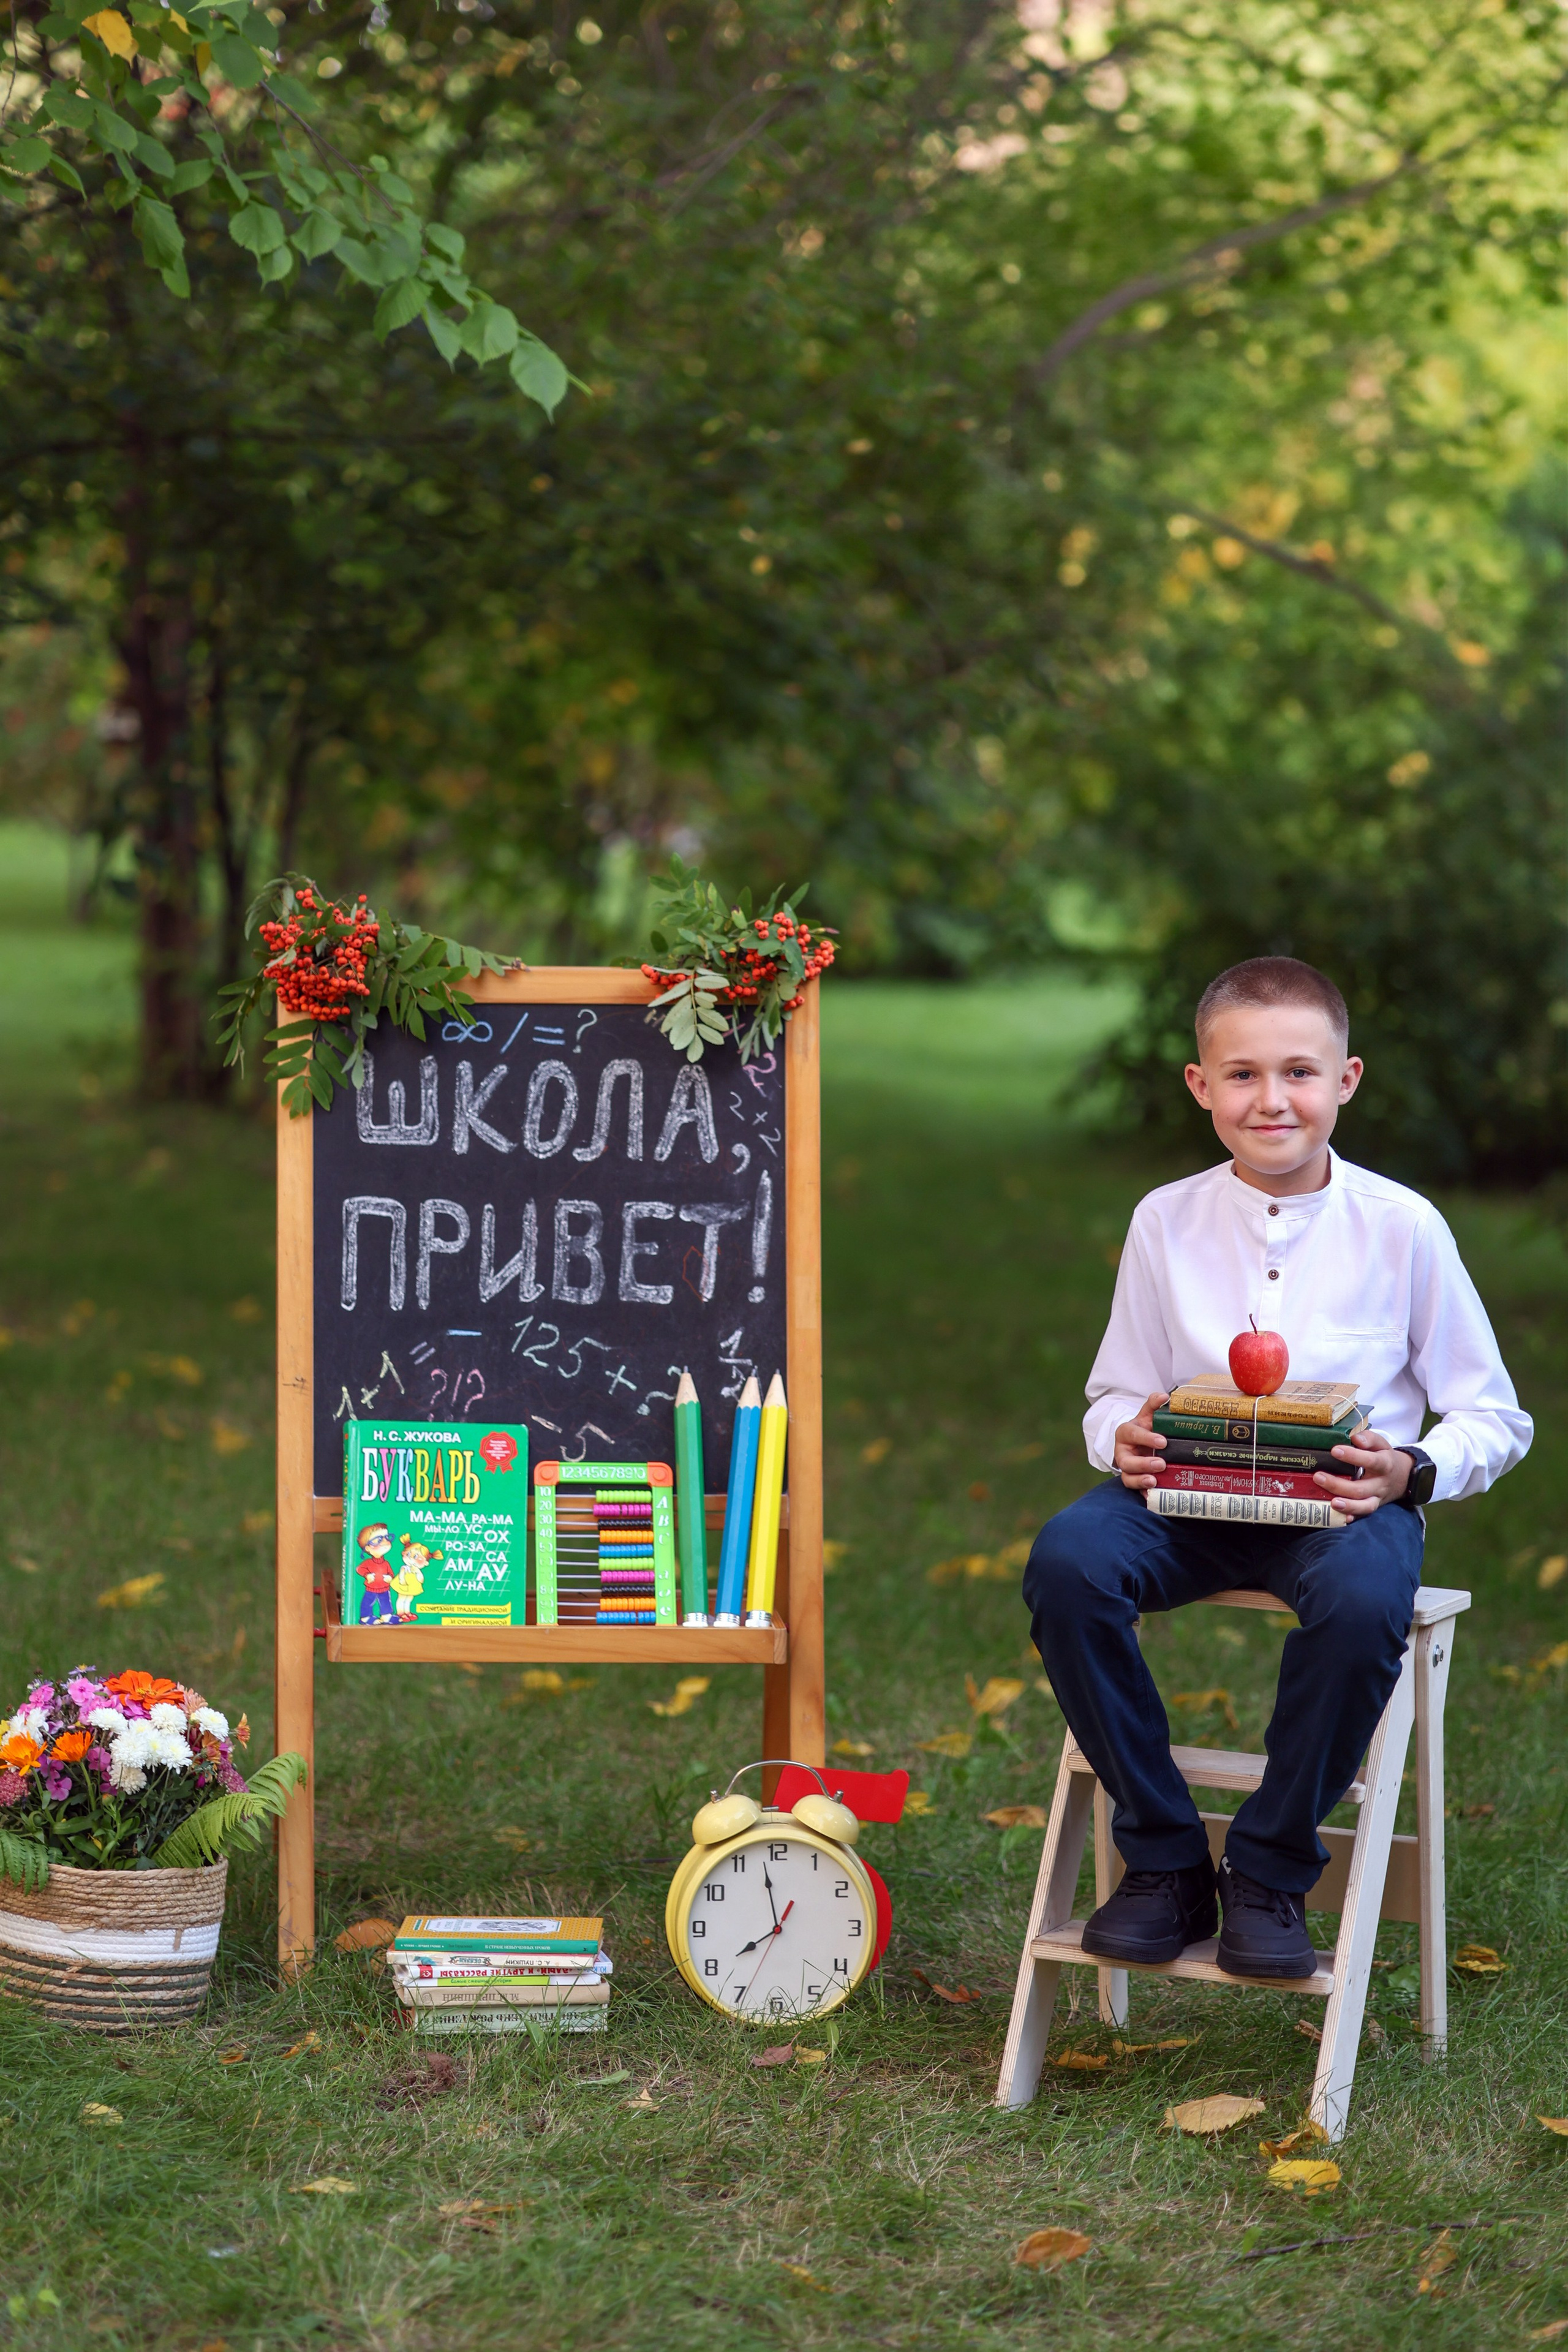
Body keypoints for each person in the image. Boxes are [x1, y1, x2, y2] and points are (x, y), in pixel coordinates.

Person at [1023, 957, 1531, 1977]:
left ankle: (1267, 1869)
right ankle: (1163, 1861)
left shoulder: (1403, 1226)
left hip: (1345, 1509)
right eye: (1243, 1075)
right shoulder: (1164, 1219)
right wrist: (1117, 1434)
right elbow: (1117, 1389)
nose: (1272, 1099)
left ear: (1345, 1080)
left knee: (1358, 1607)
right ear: (1201, 1086)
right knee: (1069, 1562)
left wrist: (1411, 1471)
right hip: (1188, 1501)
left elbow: (1495, 1413)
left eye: (1299, 1072)